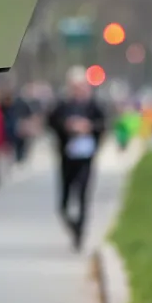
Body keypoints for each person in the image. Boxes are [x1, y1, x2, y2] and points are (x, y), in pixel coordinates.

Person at [48, 66, 106, 251]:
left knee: (82, 195)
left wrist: (89, 127)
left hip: (86, 158)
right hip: (67, 158)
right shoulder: (63, 106)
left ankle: (80, 232)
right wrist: (68, 126)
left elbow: (102, 125)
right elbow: (51, 122)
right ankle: (72, 226)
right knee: (63, 203)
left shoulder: (93, 106)